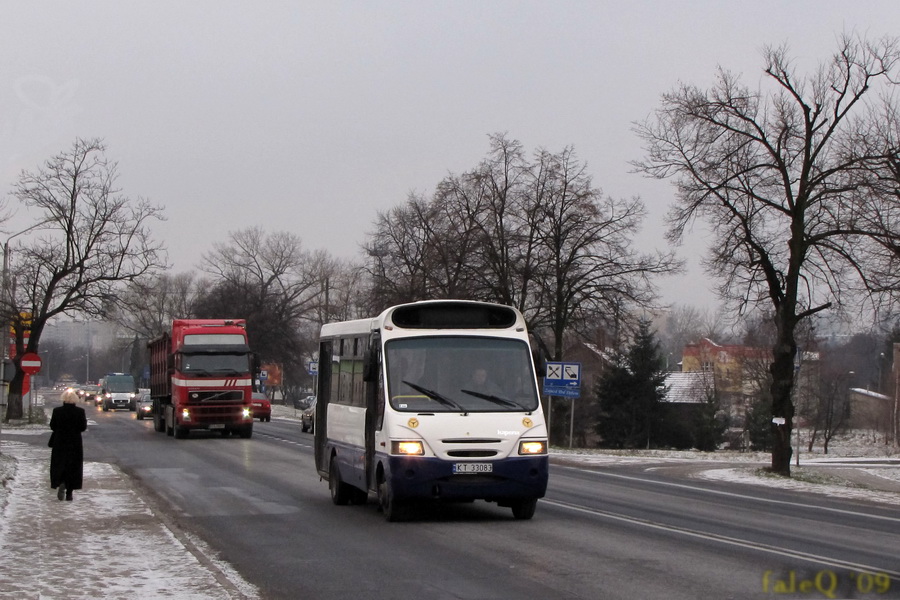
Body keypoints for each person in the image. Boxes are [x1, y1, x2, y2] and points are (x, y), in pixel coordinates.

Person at [49, 389, 88, 501]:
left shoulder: (57, 411)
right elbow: (82, 427)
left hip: (59, 442)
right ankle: (69, 492)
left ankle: (61, 482)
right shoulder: (80, 412)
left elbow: (53, 426)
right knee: (73, 467)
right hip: (74, 443)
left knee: (59, 464)